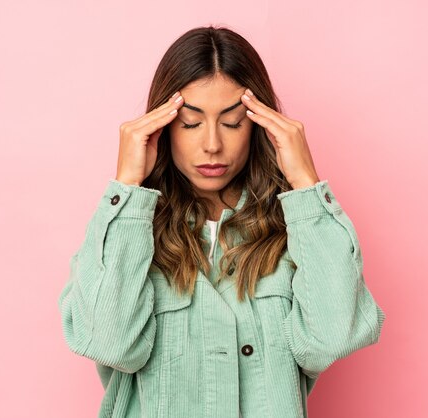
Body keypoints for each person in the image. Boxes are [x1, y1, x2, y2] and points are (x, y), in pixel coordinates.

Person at [58, 25, 386, 418]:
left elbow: (332, 339)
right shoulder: (130, 229)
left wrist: (306, 184)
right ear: (162, 126)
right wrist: (127, 187)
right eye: (190, 123)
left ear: (259, 126)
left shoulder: (294, 230)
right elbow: (109, 343)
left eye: (232, 122)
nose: (212, 143)